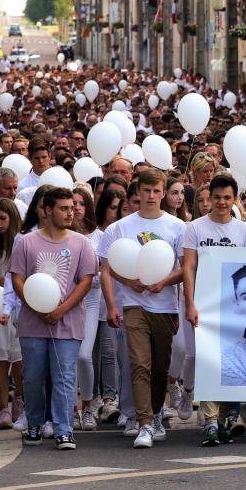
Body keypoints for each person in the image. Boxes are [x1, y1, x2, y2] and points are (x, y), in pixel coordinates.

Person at [98, 168, 185, 450]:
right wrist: (119, 296)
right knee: (139, 364)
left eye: (156, 191)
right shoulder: (120, 228)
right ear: (138, 193)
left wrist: (164, 281)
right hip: (133, 305)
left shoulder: (177, 227)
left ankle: (157, 413)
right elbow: (106, 269)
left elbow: (186, 269)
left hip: (165, 306)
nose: (150, 196)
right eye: (145, 191)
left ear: (163, 193)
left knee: (160, 368)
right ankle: (145, 423)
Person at [11, 187, 97, 450]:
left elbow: (85, 281)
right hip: (32, 323)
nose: (70, 212)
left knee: (64, 376)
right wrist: (36, 306)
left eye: (71, 208)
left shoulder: (81, 243)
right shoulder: (27, 242)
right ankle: (35, 422)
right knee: (33, 377)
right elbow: (17, 278)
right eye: (63, 208)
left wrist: (61, 309)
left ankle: (64, 429)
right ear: (47, 210)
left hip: (68, 322)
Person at [182, 175, 246, 446]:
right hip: (206, 306)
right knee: (209, 363)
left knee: (232, 365)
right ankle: (211, 422)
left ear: (234, 199)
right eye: (217, 197)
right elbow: (188, 267)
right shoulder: (195, 228)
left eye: (227, 197)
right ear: (209, 199)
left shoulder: (245, 231)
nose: (222, 202)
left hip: (236, 308)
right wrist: (190, 303)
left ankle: (223, 419)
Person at [71, 187, 107, 432]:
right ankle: (70, 408)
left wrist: (86, 278)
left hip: (91, 299)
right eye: (71, 204)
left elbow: (104, 272)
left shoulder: (99, 235)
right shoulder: (62, 235)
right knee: (68, 358)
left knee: (84, 355)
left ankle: (88, 405)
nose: (75, 209)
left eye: (80, 204)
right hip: (67, 300)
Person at [0, 199, 24, 430]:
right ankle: (3, 408)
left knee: (19, 358)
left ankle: (19, 402)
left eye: (3, 218)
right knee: (0, 358)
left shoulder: (22, 243)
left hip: (20, 304)